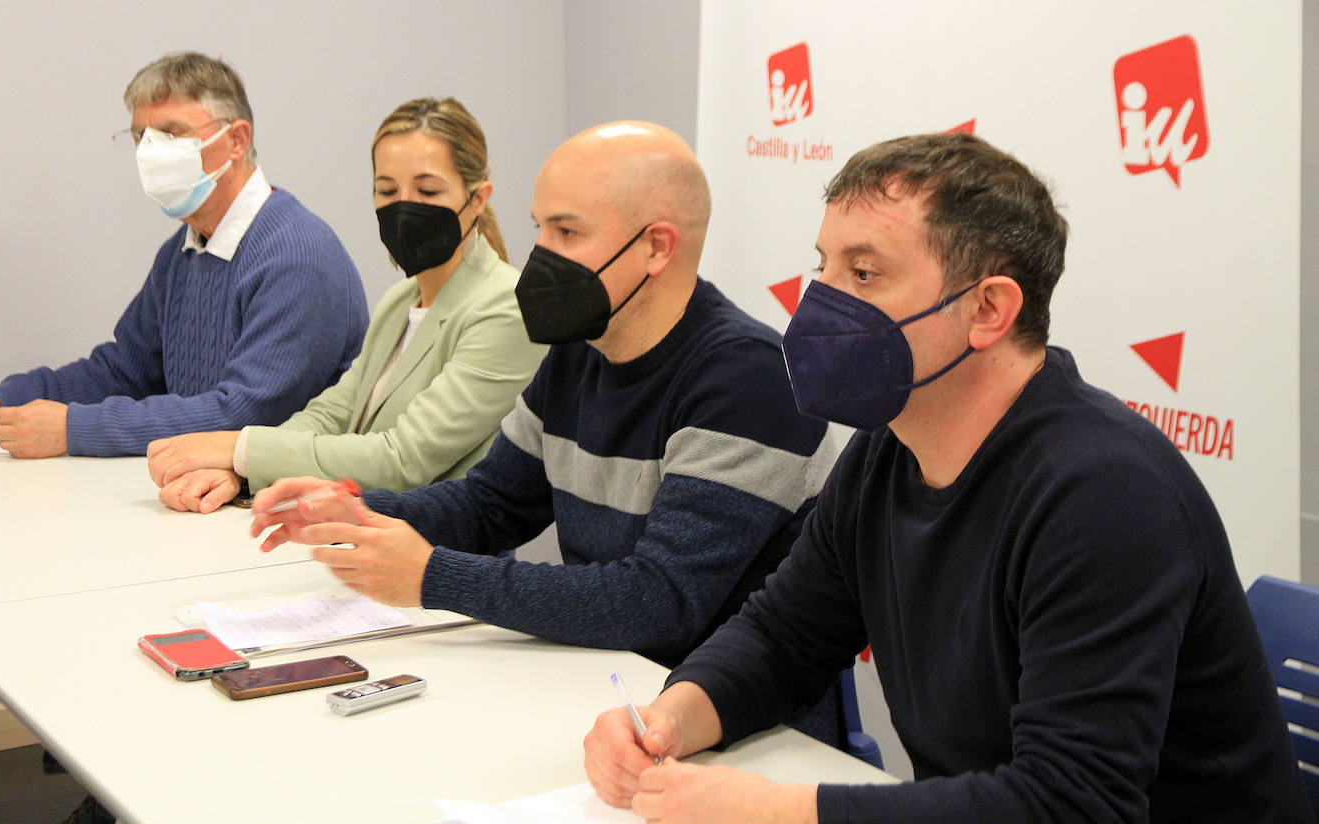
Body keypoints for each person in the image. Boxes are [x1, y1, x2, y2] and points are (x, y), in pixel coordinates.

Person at [582, 132, 1314, 823]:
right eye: (823, 268)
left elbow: (1071, 804)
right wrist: (672, 717)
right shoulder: (886, 451)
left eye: (863, 274)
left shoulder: (1105, 494)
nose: (819, 304)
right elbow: (785, 638)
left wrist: (775, 810)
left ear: (989, 309)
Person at [249, 122, 843, 741]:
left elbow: (658, 601)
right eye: (540, 227)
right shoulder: (581, 349)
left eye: (566, 231)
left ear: (657, 248)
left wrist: (431, 576)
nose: (539, 253)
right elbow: (492, 503)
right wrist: (350, 511)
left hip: (743, 737)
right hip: (606, 693)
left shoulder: (748, 379)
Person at [0, 51, 368, 458]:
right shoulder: (182, 252)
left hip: (286, 511)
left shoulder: (295, 255)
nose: (149, 151)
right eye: (139, 136)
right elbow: (125, 371)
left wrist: (75, 429)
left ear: (236, 139)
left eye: (171, 133)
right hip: (198, 494)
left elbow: (246, 414)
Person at [145, 97, 545, 513]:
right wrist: (242, 471)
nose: (404, 206)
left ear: (478, 199)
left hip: (439, 558)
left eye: (427, 190)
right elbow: (332, 414)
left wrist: (240, 449)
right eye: (387, 190)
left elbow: (403, 458)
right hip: (355, 535)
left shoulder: (506, 309)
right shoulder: (399, 301)